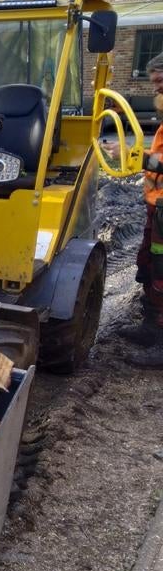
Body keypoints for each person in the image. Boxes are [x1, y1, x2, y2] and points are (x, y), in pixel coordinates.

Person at [108, 53, 163, 366]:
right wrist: (129, 151)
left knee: (162, 272)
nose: (157, 89)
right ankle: (149, 327)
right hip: (157, 209)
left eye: (160, 82)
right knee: (149, 265)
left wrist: (139, 159)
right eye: (154, 83)